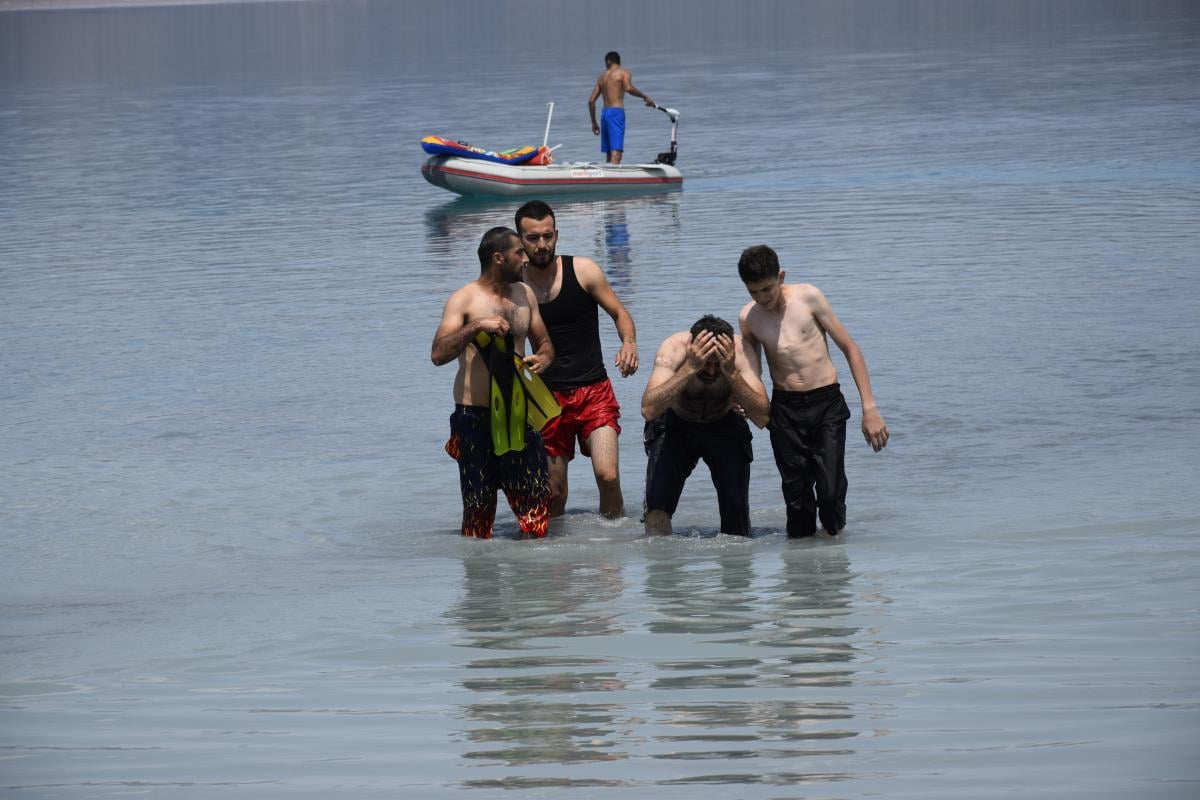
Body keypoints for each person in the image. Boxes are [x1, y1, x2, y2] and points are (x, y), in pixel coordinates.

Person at [737, 245, 889, 538]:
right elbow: (751, 370)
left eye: (767, 289)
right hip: (785, 410)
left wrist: (869, 408)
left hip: (826, 403)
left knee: (830, 497)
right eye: (753, 292)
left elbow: (850, 349)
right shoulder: (749, 318)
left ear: (781, 277)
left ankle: (837, 560)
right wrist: (746, 399)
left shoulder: (809, 297)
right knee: (797, 505)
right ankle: (801, 579)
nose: (762, 298)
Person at [514, 200, 638, 519]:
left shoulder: (583, 270)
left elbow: (619, 312)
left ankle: (613, 558)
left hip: (594, 390)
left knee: (607, 475)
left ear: (556, 233)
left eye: (547, 236)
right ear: (520, 240)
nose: (542, 244)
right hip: (545, 398)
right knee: (554, 494)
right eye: (532, 238)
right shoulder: (515, 286)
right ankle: (557, 564)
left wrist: (629, 343)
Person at [431, 227, 555, 539]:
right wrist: (475, 326)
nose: (526, 259)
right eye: (519, 253)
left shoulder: (524, 295)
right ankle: (481, 585)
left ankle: (536, 585)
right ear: (498, 258)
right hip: (474, 418)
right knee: (478, 513)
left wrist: (543, 359)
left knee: (536, 508)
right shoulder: (463, 300)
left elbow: (545, 346)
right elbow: (438, 354)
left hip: (520, 415)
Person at [641, 315, 770, 537]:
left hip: (723, 423)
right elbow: (649, 410)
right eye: (705, 363)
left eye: (716, 364)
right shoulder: (673, 349)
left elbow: (762, 418)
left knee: (736, 517)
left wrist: (731, 373)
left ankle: (736, 569)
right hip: (676, 425)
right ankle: (660, 567)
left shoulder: (740, 354)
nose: (711, 371)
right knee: (656, 511)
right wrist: (690, 367)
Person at [588, 51, 655, 165]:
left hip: (604, 114)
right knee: (617, 153)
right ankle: (613, 180)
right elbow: (628, 88)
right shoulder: (623, 73)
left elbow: (591, 101)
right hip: (616, 113)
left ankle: (607, 179)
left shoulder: (601, 77)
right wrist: (644, 96)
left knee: (609, 153)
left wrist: (594, 123)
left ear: (609, 61)